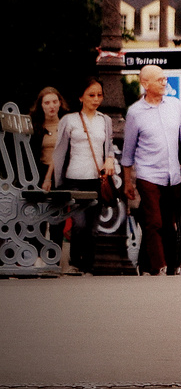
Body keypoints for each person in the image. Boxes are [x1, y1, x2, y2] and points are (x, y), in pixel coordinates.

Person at [122, 65, 181, 276]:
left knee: (168, 224)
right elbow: (128, 151)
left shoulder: (175, 106)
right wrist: (128, 182)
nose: (164, 82)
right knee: (153, 221)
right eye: (159, 79)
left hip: (172, 176)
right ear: (145, 84)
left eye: (165, 79)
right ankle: (159, 265)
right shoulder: (135, 112)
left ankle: (164, 264)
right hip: (147, 175)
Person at [52, 79, 115, 275]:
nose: (96, 99)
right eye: (91, 95)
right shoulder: (69, 120)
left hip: (96, 179)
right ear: (81, 97)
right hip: (75, 178)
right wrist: (54, 180)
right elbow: (59, 151)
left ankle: (87, 265)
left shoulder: (105, 120)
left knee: (93, 226)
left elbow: (109, 146)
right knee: (79, 223)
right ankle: (75, 261)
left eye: (99, 95)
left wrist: (110, 159)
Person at [31, 87, 70, 254]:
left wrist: (49, 178)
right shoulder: (35, 127)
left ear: (60, 103)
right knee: (37, 216)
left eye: (55, 102)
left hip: (59, 174)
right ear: (41, 105)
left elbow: (60, 154)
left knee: (57, 216)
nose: (51, 106)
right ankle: (35, 255)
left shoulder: (66, 126)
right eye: (47, 103)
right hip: (38, 172)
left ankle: (54, 256)